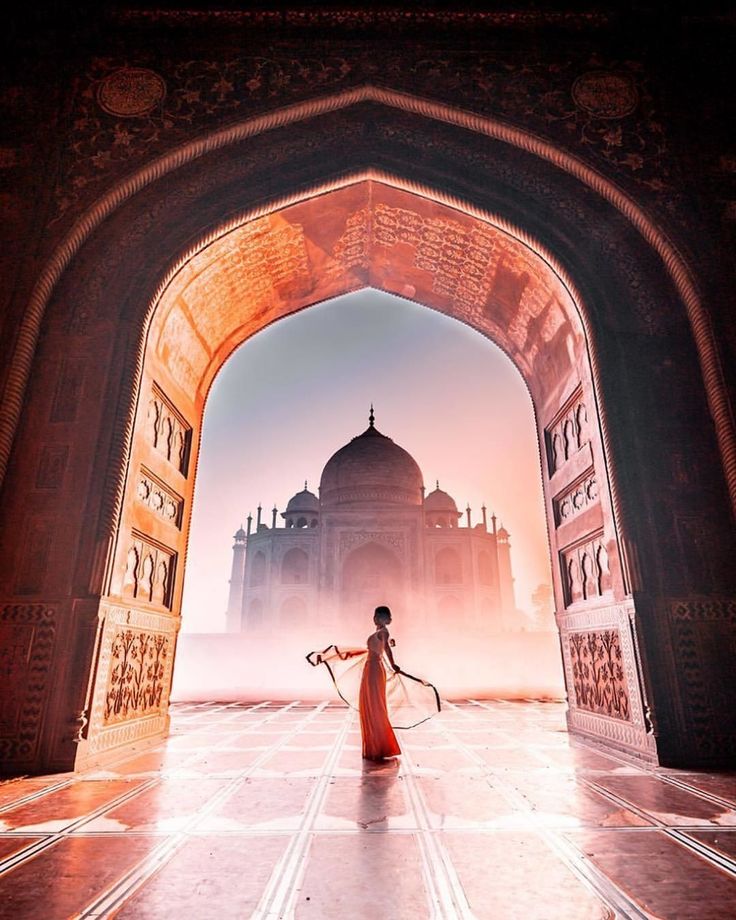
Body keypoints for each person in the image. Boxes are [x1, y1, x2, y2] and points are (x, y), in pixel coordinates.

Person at [359, 605, 401, 761]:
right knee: (369, 705)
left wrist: (393, 664)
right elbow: (382, 646)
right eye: (375, 615)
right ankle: (374, 746)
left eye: (378, 616)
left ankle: (379, 746)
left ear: (384, 618)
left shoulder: (383, 632)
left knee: (375, 705)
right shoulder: (380, 632)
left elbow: (387, 650)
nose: (375, 618)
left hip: (375, 669)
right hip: (370, 668)